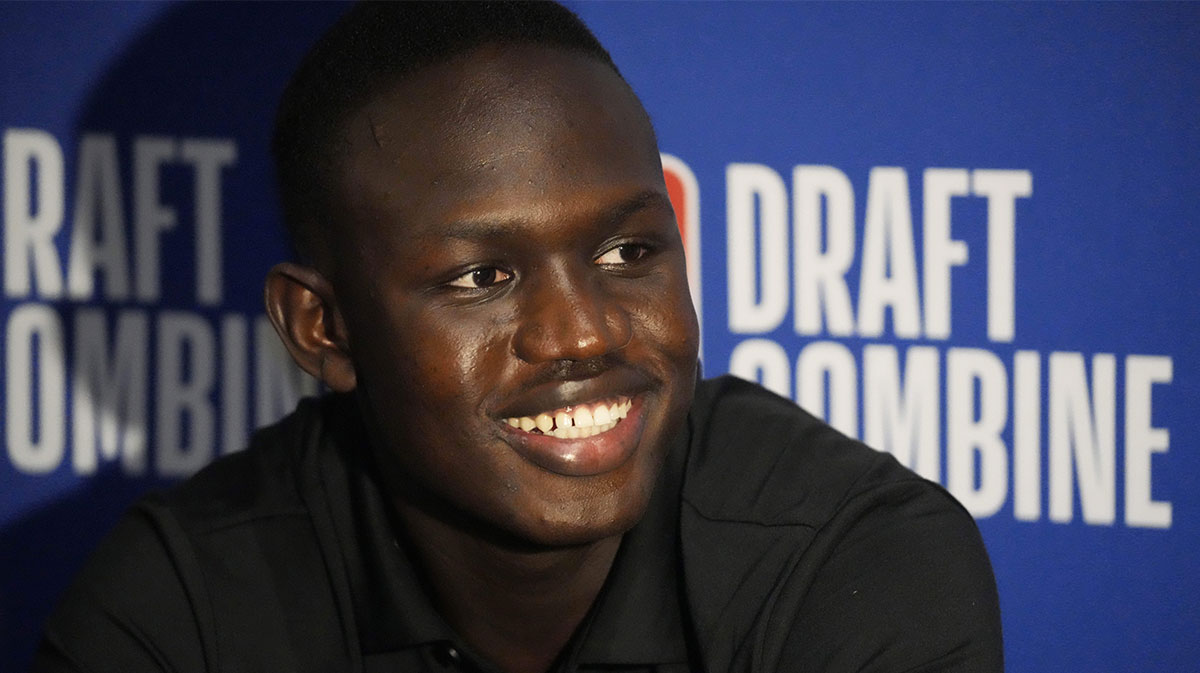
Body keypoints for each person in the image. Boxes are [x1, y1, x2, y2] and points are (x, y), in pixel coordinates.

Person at [34, 3, 1003, 672]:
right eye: (482, 278)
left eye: (627, 252)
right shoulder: (181, 609)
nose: (582, 333)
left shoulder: (853, 566)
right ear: (322, 329)